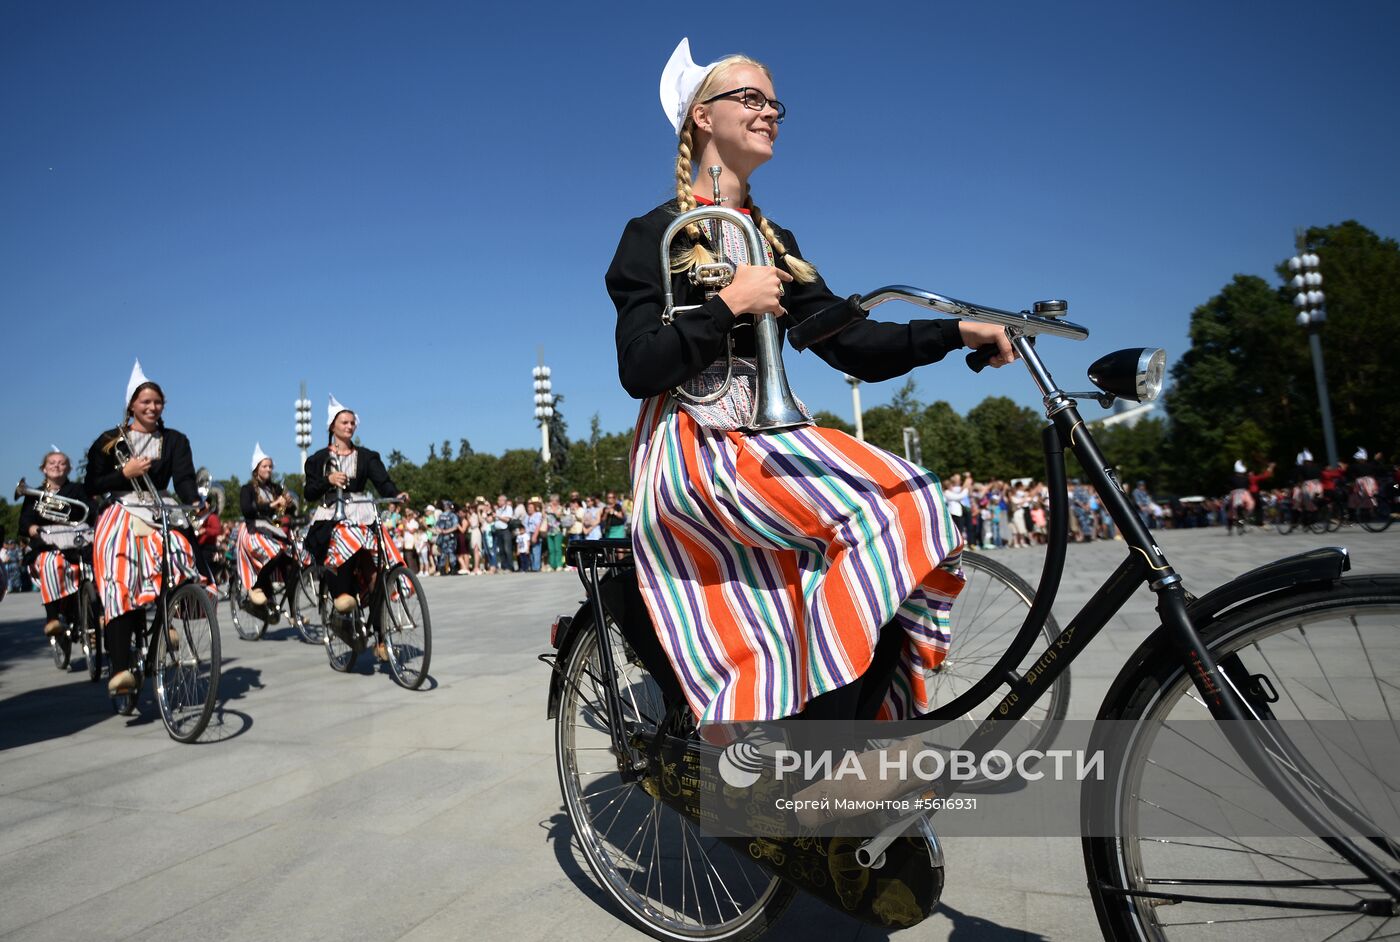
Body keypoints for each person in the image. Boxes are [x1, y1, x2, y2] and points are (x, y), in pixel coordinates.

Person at [603, 38, 1018, 726]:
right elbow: (638, 367)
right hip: (693, 445)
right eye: (751, 98)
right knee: (897, 503)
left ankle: (830, 732)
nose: (770, 112)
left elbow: (855, 346)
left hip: (766, 437)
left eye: (774, 103)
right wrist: (727, 305)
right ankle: (816, 753)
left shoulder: (776, 239)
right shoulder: (654, 233)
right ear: (702, 118)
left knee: (898, 540)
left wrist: (958, 330)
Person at [83, 361, 205, 695]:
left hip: (159, 508)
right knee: (119, 574)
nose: (152, 407)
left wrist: (195, 501)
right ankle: (121, 668)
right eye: (145, 401)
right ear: (131, 406)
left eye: (157, 402)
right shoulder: (109, 441)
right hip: (121, 509)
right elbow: (91, 483)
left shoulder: (175, 440)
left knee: (179, 556)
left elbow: (183, 478)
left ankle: (168, 619)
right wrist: (125, 473)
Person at [302, 396, 408, 659]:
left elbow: (383, 481)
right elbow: (308, 492)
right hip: (333, 515)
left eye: (352, 423)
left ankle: (381, 637)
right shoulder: (318, 459)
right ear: (332, 427)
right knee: (342, 552)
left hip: (363, 514)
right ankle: (341, 604)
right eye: (344, 422)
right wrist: (328, 480)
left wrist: (396, 495)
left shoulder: (367, 456)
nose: (350, 426)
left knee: (380, 572)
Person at [18, 448, 93, 638]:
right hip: (47, 538)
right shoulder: (35, 494)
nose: (56, 466)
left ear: (69, 469)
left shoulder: (78, 489)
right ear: (43, 469)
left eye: (61, 463)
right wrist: (32, 528)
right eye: (52, 463)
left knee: (94, 566)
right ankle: (52, 618)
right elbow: (25, 519)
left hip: (77, 534)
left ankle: (94, 618)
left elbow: (91, 511)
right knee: (50, 563)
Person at [235, 444, 303, 621]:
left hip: (271, 530)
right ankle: (255, 586)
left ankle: (294, 614)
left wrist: (288, 503)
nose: (268, 469)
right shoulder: (247, 489)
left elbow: (290, 510)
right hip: (252, 531)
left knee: (292, 563)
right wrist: (272, 505)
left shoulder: (275, 488)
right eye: (264, 466)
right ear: (256, 468)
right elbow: (247, 510)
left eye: (270, 466)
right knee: (275, 553)